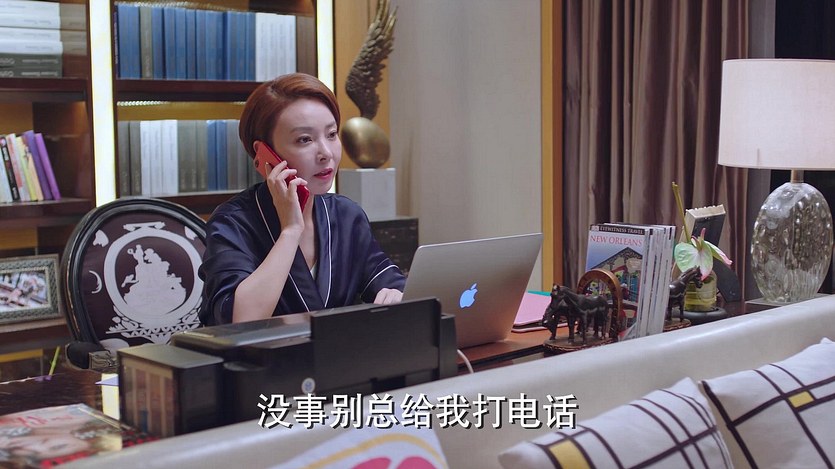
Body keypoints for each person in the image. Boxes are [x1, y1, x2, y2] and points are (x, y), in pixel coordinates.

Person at [198, 73, 405, 325]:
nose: (326, 153)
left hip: (338, 351)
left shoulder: (345, 215)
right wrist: (290, 231)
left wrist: (396, 294)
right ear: (265, 154)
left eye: (331, 134)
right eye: (305, 139)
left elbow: (388, 280)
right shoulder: (233, 222)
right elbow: (237, 320)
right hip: (259, 352)